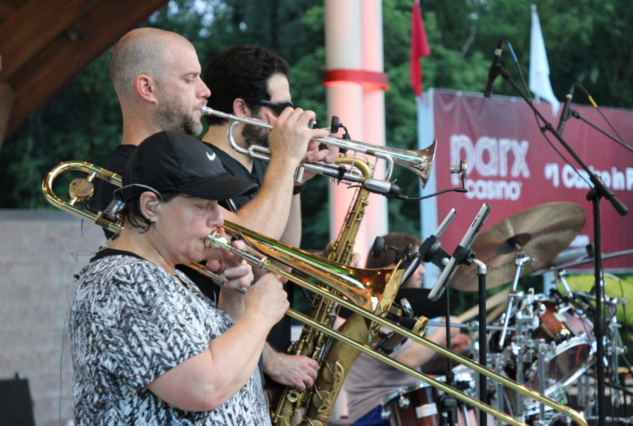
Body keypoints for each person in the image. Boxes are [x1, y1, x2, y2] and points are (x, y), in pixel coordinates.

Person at [94, 32, 325, 391]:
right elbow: (251, 240)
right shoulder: (127, 174)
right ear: (147, 88)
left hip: (229, 370)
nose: (205, 90)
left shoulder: (192, 164)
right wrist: (286, 157)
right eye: (190, 79)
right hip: (199, 375)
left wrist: (292, 176)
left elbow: (274, 254)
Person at [70, 131, 286, 425]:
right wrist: (259, 315)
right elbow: (204, 388)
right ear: (151, 207)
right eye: (203, 206)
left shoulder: (166, 275)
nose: (219, 219)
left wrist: (234, 297)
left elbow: (221, 363)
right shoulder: (124, 281)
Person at [202, 45, 332, 393]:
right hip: (229, 367)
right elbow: (253, 258)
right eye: (281, 109)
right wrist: (270, 360)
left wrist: (295, 181)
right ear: (242, 108)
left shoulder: (266, 168)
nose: (289, 119)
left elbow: (284, 258)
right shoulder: (200, 169)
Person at [343, 233, 470, 426]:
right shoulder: (373, 307)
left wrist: (440, 348)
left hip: (400, 405)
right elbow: (409, 359)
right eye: (417, 264)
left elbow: (406, 363)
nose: (422, 272)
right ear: (397, 266)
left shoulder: (391, 308)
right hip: (377, 412)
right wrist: (445, 329)